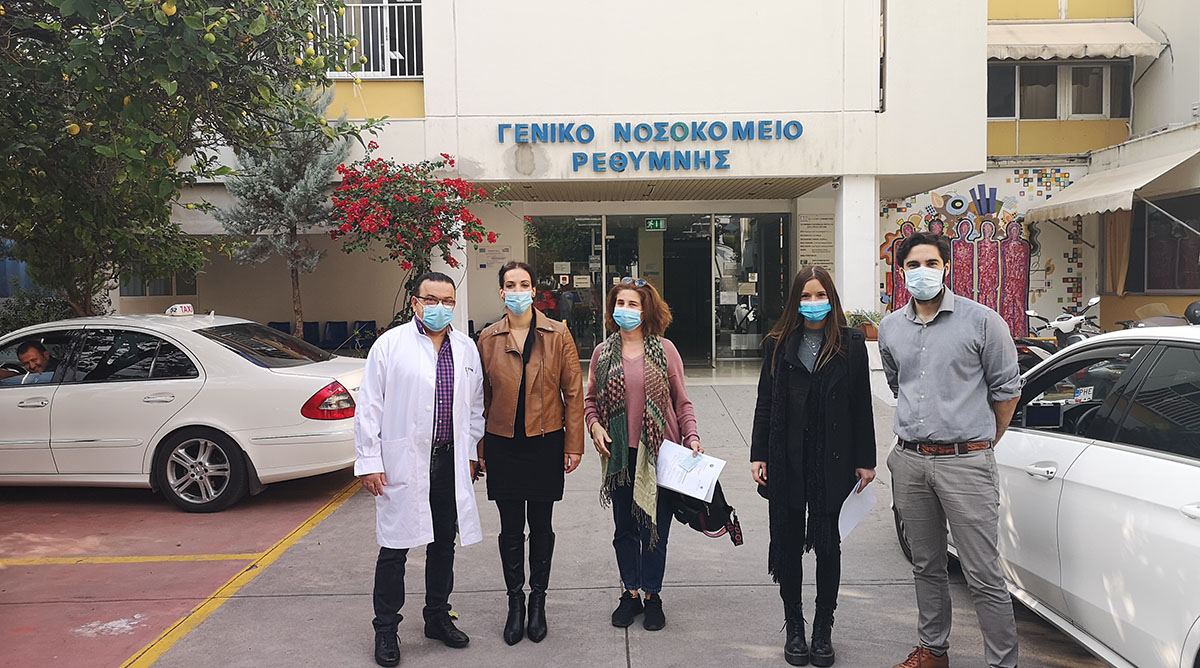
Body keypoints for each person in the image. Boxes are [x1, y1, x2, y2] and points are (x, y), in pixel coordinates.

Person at [879, 232, 1023, 668]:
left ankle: (1002, 662)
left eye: (931, 263)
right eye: (913, 264)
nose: (922, 271)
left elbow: (1007, 390)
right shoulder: (890, 328)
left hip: (966, 462)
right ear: (901, 272)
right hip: (910, 461)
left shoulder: (983, 322)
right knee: (926, 565)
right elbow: (898, 384)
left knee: (982, 573)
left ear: (946, 267)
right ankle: (933, 650)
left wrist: (981, 442)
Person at [354, 272, 486, 668]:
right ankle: (386, 628)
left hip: (449, 460)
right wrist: (369, 461)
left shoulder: (465, 348)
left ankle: (437, 616)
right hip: (404, 462)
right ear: (415, 302)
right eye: (432, 299)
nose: (440, 307)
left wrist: (470, 453)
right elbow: (369, 407)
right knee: (395, 548)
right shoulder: (390, 345)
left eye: (447, 300)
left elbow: (475, 407)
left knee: (443, 542)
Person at [750, 265, 877, 667]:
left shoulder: (851, 344)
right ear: (796, 302)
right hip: (787, 459)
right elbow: (766, 403)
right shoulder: (778, 344)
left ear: (831, 299)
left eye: (820, 295)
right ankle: (795, 626)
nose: (813, 302)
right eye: (806, 296)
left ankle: (823, 628)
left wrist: (866, 461)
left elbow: (861, 406)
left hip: (832, 461)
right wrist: (759, 454)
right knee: (788, 545)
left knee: (827, 545)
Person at [584, 277, 702, 632]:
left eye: (633, 304)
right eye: (620, 303)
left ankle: (652, 595)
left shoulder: (665, 350)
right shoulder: (602, 353)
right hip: (620, 457)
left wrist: (692, 436)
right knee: (624, 530)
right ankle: (630, 593)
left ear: (646, 310)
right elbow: (590, 401)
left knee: (655, 531)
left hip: (659, 455)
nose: (625, 310)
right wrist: (595, 427)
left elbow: (682, 402)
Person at [476, 261, 585, 646]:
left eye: (524, 284)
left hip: (545, 440)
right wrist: (480, 446)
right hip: (503, 443)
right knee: (509, 528)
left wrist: (573, 444)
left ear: (534, 291)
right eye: (511, 284)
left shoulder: (557, 334)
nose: (518, 290)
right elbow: (480, 398)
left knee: (541, 525)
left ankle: (538, 601)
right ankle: (515, 603)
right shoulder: (488, 338)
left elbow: (574, 391)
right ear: (501, 292)